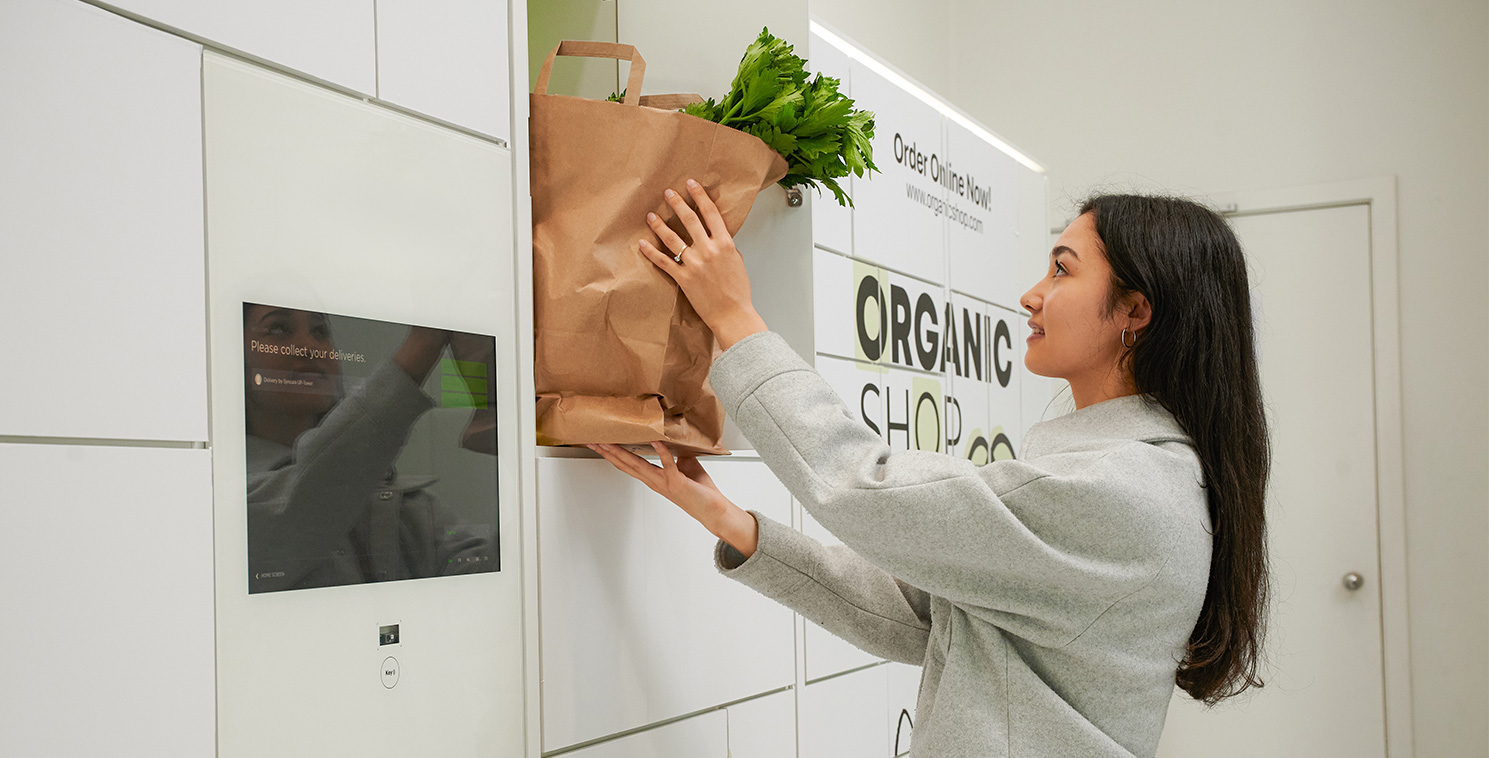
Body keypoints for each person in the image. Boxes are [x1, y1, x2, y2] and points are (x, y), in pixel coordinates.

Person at [588, 183, 1270, 757]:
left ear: (1134, 312)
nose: (1032, 294)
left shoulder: (1121, 491)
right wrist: (736, 526)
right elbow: (921, 619)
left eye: (1061, 269)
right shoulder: (1127, 474)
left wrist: (732, 314)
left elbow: (859, 481)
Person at [243, 304, 495, 593]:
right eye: (278, 330)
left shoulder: (405, 506)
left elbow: (485, 575)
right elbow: (310, 494)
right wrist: (424, 343)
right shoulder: (219, 502)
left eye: (319, 331)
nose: (308, 348)